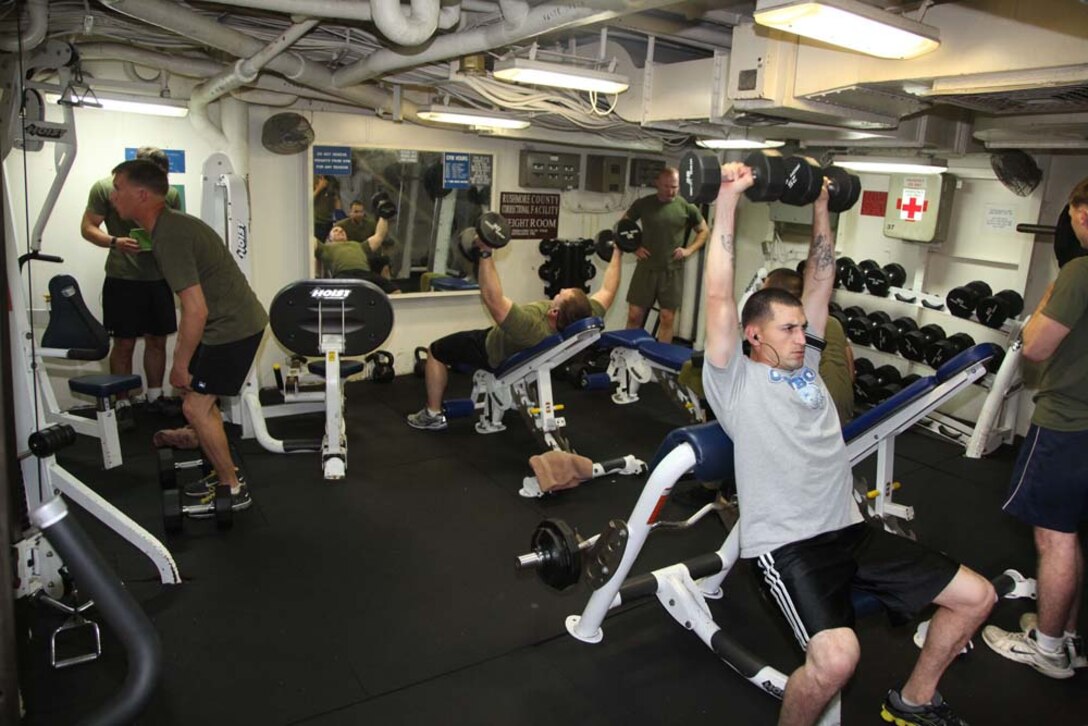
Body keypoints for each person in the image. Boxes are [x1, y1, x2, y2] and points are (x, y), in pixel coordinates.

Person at [700, 161, 994, 726]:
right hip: (789, 547)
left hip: (852, 532)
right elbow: (718, 292)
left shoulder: (804, 362)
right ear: (753, 334)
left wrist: (821, 208)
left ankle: (915, 701)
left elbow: (819, 279)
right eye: (786, 330)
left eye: (800, 328)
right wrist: (728, 199)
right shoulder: (734, 379)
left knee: (977, 596)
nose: (801, 338)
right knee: (838, 659)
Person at [110, 159, 267, 515]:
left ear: (141, 194)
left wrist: (178, 364)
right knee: (194, 400)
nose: (114, 196)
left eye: (118, 188)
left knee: (195, 402)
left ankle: (232, 487)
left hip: (233, 328)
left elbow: (195, 310)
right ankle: (201, 439)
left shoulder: (170, 236)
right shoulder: (169, 228)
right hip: (229, 325)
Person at [982, 177, 1088, 678]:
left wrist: (1050, 292)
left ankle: (1045, 649)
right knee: (1069, 534)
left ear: (1080, 215)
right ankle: (1064, 635)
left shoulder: (1081, 272)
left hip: (1067, 423)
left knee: (1054, 540)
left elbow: (1037, 345)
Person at [407, 235, 624, 431]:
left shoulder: (531, 328)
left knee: (435, 351)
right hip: (509, 343)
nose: (560, 290)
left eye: (561, 293)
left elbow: (493, 299)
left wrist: (485, 253)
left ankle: (432, 414)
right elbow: (608, 290)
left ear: (555, 311)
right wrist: (618, 250)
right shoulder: (583, 314)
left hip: (490, 348)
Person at [80, 146, 181, 415]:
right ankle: (122, 400)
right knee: (123, 342)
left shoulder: (169, 194)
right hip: (122, 277)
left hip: (158, 278)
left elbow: (176, 231)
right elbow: (88, 227)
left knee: (157, 340)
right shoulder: (105, 190)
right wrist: (114, 241)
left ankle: (155, 396)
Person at [623, 167, 708, 344]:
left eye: (675, 187)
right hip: (646, 268)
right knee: (634, 315)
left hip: (672, 271)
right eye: (667, 186)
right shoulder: (644, 204)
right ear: (657, 185)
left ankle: (660, 360)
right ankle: (627, 354)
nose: (671, 191)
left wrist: (689, 250)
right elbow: (623, 225)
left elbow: (704, 231)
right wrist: (635, 247)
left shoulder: (687, 207)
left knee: (667, 318)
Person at [761, 267, 855, 423]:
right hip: (845, 413)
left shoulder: (790, 327)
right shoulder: (833, 322)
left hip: (819, 418)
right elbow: (851, 374)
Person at [314, 226, 399, 295]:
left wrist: (383, 216)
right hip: (344, 275)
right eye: (336, 230)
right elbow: (310, 238)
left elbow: (379, 236)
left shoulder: (358, 245)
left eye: (342, 230)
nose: (340, 231)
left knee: (395, 291)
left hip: (365, 274)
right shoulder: (325, 248)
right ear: (329, 238)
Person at [332, 199, 392, 277]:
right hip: (349, 256)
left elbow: (379, 237)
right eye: (356, 212)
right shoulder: (340, 226)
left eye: (361, 212)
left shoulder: (371, 224)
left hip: (367, 255)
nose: (359, 214)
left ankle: (386, 287)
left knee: (384, 261)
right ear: (350, 213)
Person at [313, 174, 341, 242]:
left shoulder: (333, 185)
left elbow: (337, 202)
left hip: (329, 222)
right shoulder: (316, 186)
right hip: (317, 222)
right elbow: (308, 202)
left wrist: (339, 217)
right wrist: (319, 188)